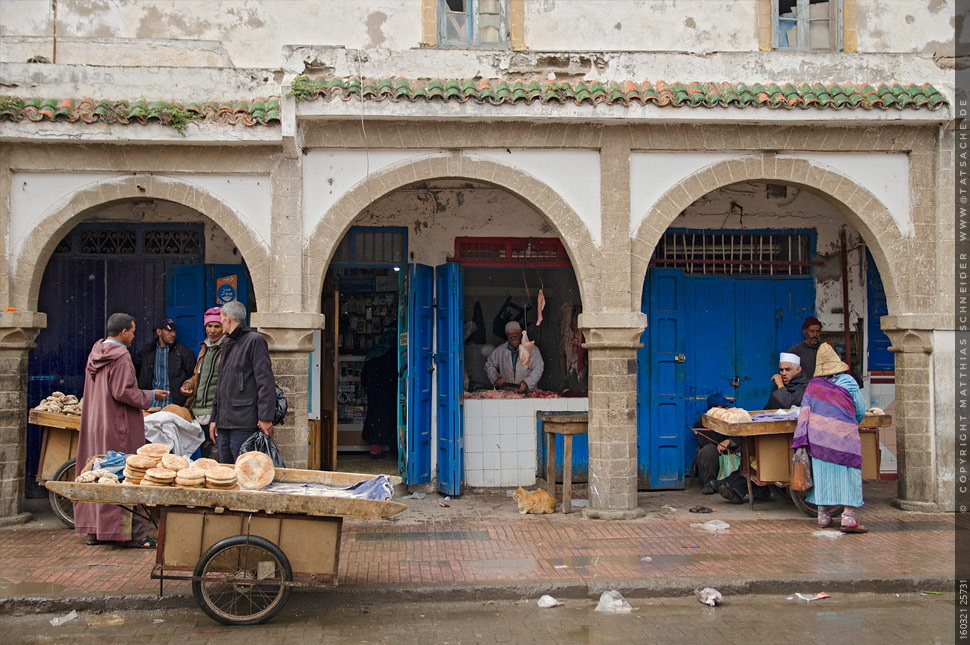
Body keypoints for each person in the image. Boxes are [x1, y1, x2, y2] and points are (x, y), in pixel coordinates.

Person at [75, 313, 168, 548]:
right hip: (118, 426)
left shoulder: (95, 353)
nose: (134, 336)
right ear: (124, 332)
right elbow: (123, 392)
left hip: (97, 423)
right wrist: (151, 395)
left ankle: (95, 530)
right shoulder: (122, 357)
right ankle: (130, 534)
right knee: (125, 473)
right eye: (133, 331)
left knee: (98, 472)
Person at [792, 342, 869, 533]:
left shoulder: (813, 385)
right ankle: (848, 518)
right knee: (848, 475)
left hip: (819, 439)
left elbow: (805, 413)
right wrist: (849, 424)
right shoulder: (848, 382)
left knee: (822, 476)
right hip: (845, 439)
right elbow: (860, 409)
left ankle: (823, 516)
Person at [209, 300, 276, 464]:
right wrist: (214, 418)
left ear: (229, 318)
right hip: (224, 422)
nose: (220, 322)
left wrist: (265, 416)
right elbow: (221, 385)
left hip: (244, 420)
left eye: (221, 318)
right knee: (225, 469)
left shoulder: (254, 341)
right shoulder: (227, 345)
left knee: (244, 468)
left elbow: (265, 381)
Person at [180, 307, 226, 457]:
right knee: (204, 455)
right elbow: (198, 375)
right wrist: (189, 384)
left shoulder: (227, 349)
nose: (212, 330)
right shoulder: (204, 349)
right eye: (209, 326)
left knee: (217, 456)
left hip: (216, 413)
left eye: (217, 326)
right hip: (198, 412)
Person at [133, 317, 196, 407]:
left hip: (174, 406)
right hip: (150, 405)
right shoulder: (147, 352)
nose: (173, 334)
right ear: (159, 332)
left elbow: (193, 376)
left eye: (174, 331)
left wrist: (187, 387)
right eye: (169, 331)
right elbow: (132, 371)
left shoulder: (184, 352)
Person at [689, 393, 738, 494]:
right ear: (713, 409)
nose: (727, 409)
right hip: (713, 455)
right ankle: (709, 483)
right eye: (724, 407)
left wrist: (728, 441)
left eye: (727, 406)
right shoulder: (701, 423)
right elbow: (706, 442)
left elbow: (739, 436)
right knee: (709, 450)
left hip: (728, 451)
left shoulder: (731, 420)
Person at [361, 330, 398, 459]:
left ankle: (375, 450)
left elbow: (364, 374)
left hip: (375, 394)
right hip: (391, 394)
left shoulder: (373, 353)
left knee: (375, 420)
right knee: (394, 418)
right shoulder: (395, 354)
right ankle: (396, 450)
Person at [484, 321, 544, 392]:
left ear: (520, 334)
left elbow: (538, 368)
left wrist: (527, 382)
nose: (513, 339)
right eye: (510, 337)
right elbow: (489, 365)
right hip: (506, 393)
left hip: (528, 392)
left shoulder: (532, 349)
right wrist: (496, 378)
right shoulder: (500, 350)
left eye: (515, 336)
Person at [787, 316, 822, 381]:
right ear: (804, 332)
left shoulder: (824, 349)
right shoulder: (795, 351)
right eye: (812, 331)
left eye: (817, 331)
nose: (815, 335)